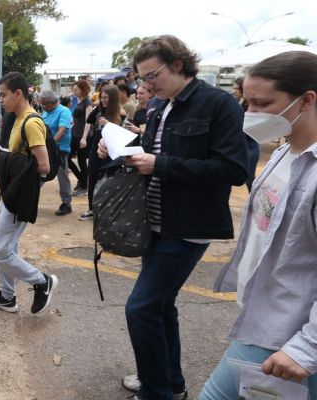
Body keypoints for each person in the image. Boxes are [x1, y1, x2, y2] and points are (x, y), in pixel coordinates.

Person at [96, 35, 248, 400]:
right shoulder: (161, 107)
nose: (146, 85)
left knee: (141, 307)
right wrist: (120, 150)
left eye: (152, 76)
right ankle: (169, 382)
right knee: (161, 306)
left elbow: (233, 168)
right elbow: (153, 152)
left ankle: (156, 390)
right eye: (142, 79)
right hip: (156, 222)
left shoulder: (219, 104)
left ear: (178, 64)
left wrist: (159, 164)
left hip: (188, 225)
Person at [200, 50, 317, 400]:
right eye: (246, 102)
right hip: (266, 315)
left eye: (262, 103)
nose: (250, 114)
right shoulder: (284, 152)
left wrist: (306, 348)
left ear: (307, 100)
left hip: (289, 330)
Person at [0, 72, 58, 313]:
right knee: (6, 248)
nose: (0, 100)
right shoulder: (18, 119)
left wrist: (2, 159)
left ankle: (42, 281)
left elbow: (43, 166)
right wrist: (0, 158)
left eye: (3, 95)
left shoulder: (31, 122)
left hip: (20, 196)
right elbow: (19, 157)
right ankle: (7, 296)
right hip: (11, 192)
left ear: (18, 93)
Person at [79, 84, 123, 221]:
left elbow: (124, 133)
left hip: (112, 148)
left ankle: (107, 208)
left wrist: (110, 124)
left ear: (114, 99)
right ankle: (92, 208)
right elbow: (88, 121)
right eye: (102, 98)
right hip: (96, 145)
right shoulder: (98, 109)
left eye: (106, 99)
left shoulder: (121, 113)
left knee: (108, 177)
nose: (103, 101)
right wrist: (84, 137)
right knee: (92, 175)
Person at [39, 90, 74, 216]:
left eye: (43, 104)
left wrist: (50, 146)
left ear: (50, 103)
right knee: (41, 173)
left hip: (60, 149)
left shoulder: (64, 111)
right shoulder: (46, 113)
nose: (41, 106)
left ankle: (66, 203)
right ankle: (29, 196)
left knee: (62, 176)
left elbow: (62, 131)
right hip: (46, 149)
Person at [233, 77, 261, 192]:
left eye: (236, 89)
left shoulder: (250, 106)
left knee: (249, 178)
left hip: (250, 146)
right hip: (241, 146)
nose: (234, 91)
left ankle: (253, 199)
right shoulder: (237, 102)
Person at [70, 79, 93, 197]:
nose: (74, 92)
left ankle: (84, 186)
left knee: (81, 161)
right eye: (73, 90)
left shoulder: (87, 103)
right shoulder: (79, 102)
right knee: (69, 159)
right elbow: (77, 120)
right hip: (75, 134)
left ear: (83, 90)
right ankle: (82, 180)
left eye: (76, 90)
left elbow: (88, 122)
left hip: (82, 136)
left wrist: (84, 138)